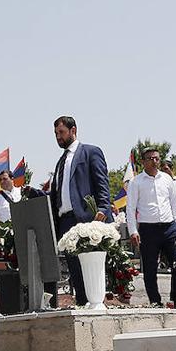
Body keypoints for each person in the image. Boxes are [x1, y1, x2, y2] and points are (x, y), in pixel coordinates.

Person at [47, 116, 111, 307]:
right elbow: (57, 193)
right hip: (65, 222)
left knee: (89, 267)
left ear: (73, 130)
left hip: (85, 219)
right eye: (56, 134)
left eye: (61, 132)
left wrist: (103, 208)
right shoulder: (60, 162)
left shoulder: (90, 152)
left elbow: (102, 183)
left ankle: (96, 305)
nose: (58, 137)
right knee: (75, 270)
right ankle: (83, 305)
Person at [127, 148, 176, 307]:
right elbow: (130, 208)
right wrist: (133, 230)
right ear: (143, 161)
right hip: (148, 229)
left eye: (157, 158)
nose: (154, 161)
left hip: (170, 228)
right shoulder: (136, 182)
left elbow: (175, 203)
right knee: (150, 267)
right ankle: (155, 300)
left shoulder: (167, 179)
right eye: (150, 158)